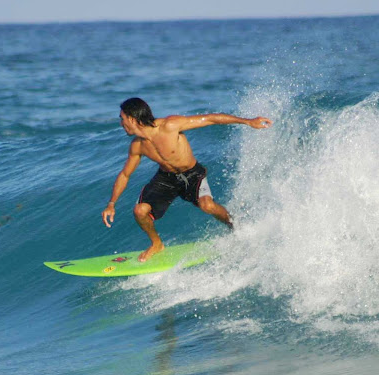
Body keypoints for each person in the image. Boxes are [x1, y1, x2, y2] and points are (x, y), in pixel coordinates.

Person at [102, 98, 272, 262]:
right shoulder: (137, 145)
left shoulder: (170, 125)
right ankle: (157, 244)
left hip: (192, 174)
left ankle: (236, 226)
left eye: (122, 119)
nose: (121, 123)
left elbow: (211, 119)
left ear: (132, 119)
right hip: (166, 178)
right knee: (140, 211)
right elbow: (125, 174)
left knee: (208, 206)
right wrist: (111, 204)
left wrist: (248, 122)